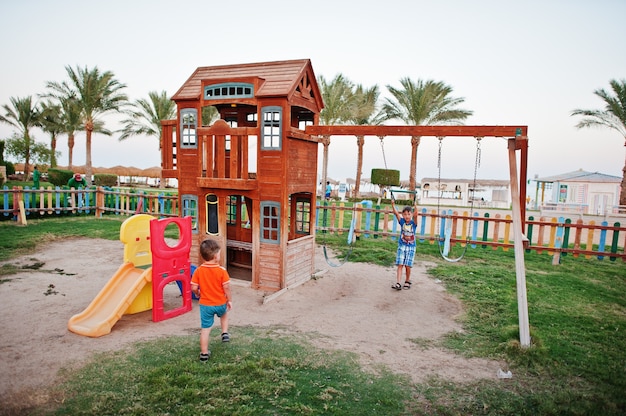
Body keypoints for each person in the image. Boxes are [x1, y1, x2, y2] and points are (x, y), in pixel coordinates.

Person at [191, 239, 233, 362]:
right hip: (220, 302)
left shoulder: (198, 271)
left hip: (205, 305)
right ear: (216, 256)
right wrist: (229, 300)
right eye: (219, 253)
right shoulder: (222, 271)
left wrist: (198, 293)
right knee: (224, 314)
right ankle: (224, 333)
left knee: (205, 329)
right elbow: (227, 287)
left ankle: (204, 353)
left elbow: (193, 287)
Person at [390, 195, 419, 290]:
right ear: (403, 215)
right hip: (402, 245)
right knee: (400, 264)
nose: (407, 216)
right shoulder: (402, 222)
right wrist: (393, 204)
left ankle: (407, 280)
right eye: (405, 214)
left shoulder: (413, 223)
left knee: (407, 265)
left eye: (409, 214)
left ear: (411, 215)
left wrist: (415, 205)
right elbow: (395, 214)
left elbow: (416, 214)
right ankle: (398, 283)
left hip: (411, 246)